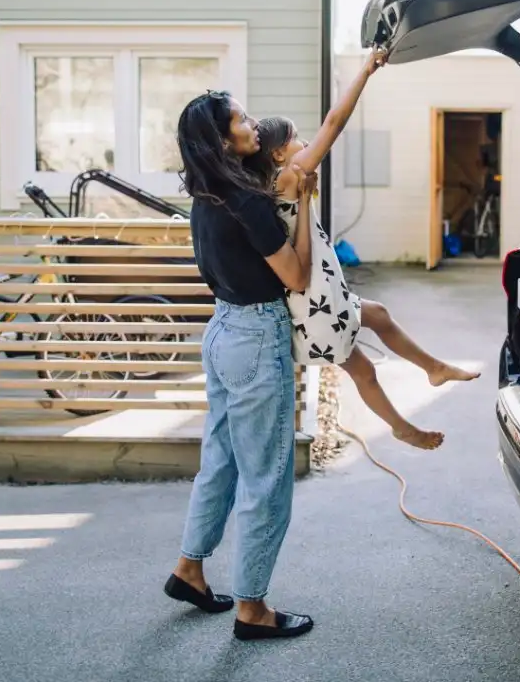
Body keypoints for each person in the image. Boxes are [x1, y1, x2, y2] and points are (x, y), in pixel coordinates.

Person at [245, 48, 479, 451]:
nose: (306, 142)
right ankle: (412, 408)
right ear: (279, 153)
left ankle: (428, 379)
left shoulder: (279, 182)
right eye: (296, 138)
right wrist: (366, 71)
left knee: (373, 337)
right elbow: (334, 123)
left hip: (319, 297)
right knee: (365, 361)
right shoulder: (287, 176)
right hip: (315, 303)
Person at [165, 90, 318, 641]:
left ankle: (190, 570)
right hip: (255, 337)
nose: (253, 124)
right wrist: (305, 206)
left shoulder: (205, 195)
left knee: (221, 461)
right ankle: (253, 609)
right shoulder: (247, 202)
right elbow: (296, 276)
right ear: (223, 140)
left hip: (222, 330)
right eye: (241, 120)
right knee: (266, 479)